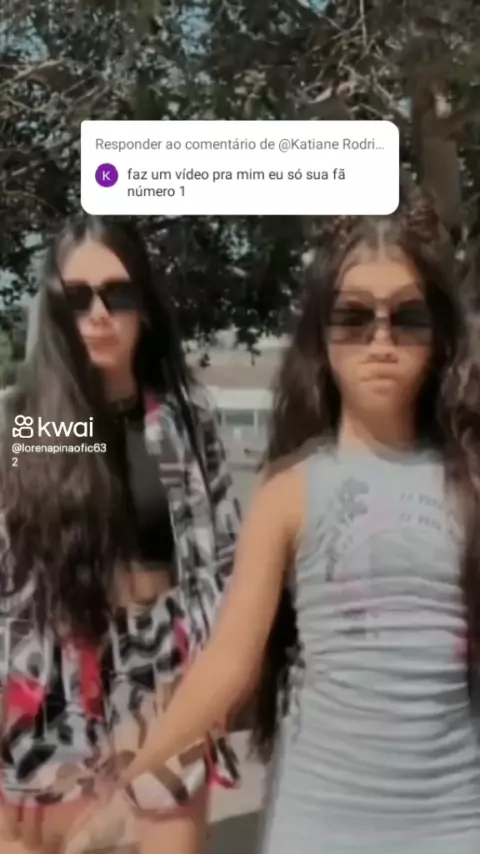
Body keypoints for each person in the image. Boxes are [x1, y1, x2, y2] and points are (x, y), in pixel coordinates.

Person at [76, 190, 480, 854]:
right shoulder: (287, 492)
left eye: (407, 317)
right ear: (322, 336)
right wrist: (125, 791)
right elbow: (230, 662)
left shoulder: (469, 484)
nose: (381, 339)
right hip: (315, 825)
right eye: (354, 317)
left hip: (455, 825)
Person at [0, 215, 241, 854]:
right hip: (50, 677)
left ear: (146, 307)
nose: (99, 315)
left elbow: (225, 558)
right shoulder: (30, 424)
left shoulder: (185, 423)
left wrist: (218, 681)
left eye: (118, 294)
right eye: (77, 298)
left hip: (164, 673)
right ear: (54, 309)